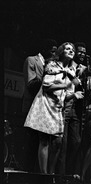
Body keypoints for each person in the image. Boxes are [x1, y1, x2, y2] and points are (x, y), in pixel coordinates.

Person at [24, 42, 83, 174]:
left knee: (58, 142)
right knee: (44, 140)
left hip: (57, 107)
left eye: (73, 49)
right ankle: (44, 175)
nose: (71, 51)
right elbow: (46, 86)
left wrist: (74, 94)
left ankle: (51, 173)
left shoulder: (72, 71)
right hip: (46, 104)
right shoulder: (52, 65)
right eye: (68, 48)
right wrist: (68, 85)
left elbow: (66, 94)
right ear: (61, 51)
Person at [22, 38, 57, 172]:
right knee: (31, 142)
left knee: (43, 143)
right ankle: (28, 175)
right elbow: (30, 84)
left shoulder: (52, 64)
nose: (54, 54)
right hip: (32, 106)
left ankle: (39, 175)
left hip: (45, 108)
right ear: (45, 50)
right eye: (53, 51)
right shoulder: (31, 60)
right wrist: (47, 76)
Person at [57, 42, 91, 177]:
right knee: (63, 145)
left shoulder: (83, 68)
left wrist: (86, 75)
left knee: (76, 142)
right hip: (66, 106)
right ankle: (61, 175)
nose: (82, 54)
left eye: (84, 52)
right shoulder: (69, 65)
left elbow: (85, 89)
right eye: (80, 52)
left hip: (77, 110)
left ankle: (70, 174)